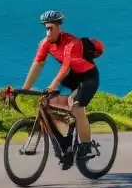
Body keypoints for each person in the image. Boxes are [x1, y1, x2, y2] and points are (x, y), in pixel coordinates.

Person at [21, 9, 104, 169]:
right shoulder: (46, 43)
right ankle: (66, 141)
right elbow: (37, 64)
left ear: (59, 28)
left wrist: (53, 84)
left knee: (77, 107)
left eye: (50, 28)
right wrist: (26, 88)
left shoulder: (71, 43)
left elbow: (66, 67)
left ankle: (86, 146)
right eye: (46, 28)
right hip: (71, 78)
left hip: (88, 78)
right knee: (51, 102)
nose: (47, 32)